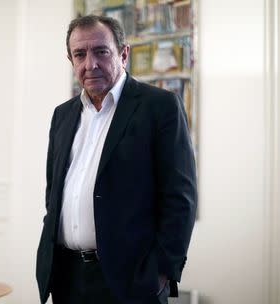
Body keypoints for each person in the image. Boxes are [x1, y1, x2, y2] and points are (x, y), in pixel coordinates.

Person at [36, 15, 197, 304]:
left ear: (123, 53)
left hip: (130, 281)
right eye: (80, 54)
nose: (90, 64)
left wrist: (160, 271)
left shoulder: (159, 107)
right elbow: (54, 195)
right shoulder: (63, 115)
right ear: (70, 59)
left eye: (101, 51)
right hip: (66, 278)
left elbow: (180, 199)